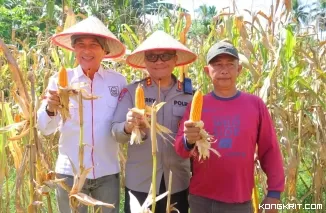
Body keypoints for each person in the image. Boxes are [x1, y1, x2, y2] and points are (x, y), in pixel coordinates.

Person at [174, 41, 285, 213]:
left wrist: (274, 193)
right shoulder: (198, 104)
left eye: (230, 65)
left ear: (239, 69)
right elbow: (181, 149)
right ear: (207, 71)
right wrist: (189, 140)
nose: (224, 70)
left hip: (239, 200)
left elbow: (269, 150)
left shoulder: (255, 105)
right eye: (217, 65)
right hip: (201, 199)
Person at [37, 16, 127, 213]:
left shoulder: (119, 82)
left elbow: (123, 126)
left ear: (105, 50)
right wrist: (51, 108)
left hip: (107, 172)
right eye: (80, 44)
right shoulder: (60, 80)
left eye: (94, 45)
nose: (86, 50)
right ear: (74, 49)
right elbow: (45, 128)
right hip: (70, 174)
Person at [111, 30, 197, 213]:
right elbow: (116, 132)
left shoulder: (190, 96)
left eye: (165, 56)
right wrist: (128, 126)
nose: (159, 61)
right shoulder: (132, 91)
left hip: (177, 181)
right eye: (152, 57)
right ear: (145, 61)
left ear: (175, 59)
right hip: (141, 183)